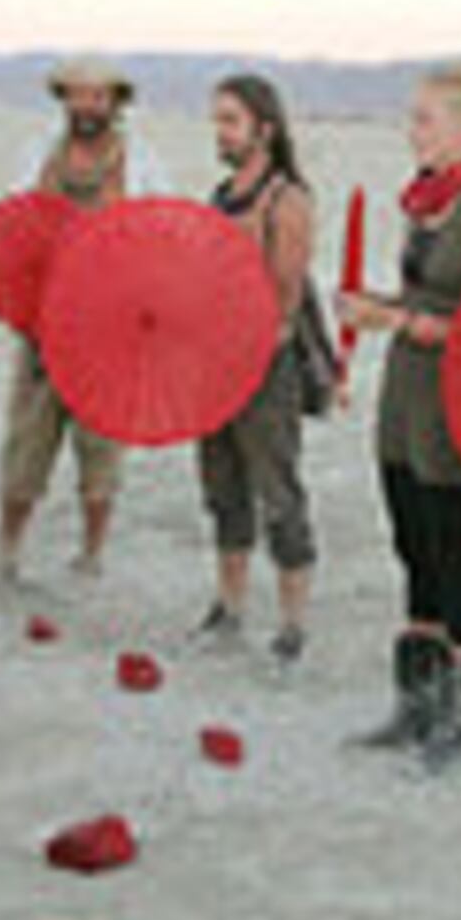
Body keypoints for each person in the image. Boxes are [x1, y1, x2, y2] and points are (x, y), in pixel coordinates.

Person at [334, 68, 461, 768]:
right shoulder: (423, 203)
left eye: (424, 119)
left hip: (453, 393)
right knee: (410, 539)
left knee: (450, 544)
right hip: (404, 389)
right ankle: (413, 706)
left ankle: (458, 719)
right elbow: (419, 295)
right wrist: (369, 305)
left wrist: (397, 319)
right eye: (412, 118)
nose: (411, 131)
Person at [0, 57, 162, 589]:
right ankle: (8, 549)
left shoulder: (142, 165)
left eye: (97, 97)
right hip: (43, 325)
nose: (86, 107)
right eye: (76, 96)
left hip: (109, 329)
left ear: (116, 103)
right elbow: (11, 229)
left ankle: (91, 553)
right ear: (63, 101)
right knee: (26, 443)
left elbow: (164, 239)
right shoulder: (37, 158)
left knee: (101, 449)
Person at [191, 73, 327, 666]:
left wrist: (241, 356)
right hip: (211, 365)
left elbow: (284, 300)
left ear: (264, 129)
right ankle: (229, 607)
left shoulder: (286, 200)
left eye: (230, 121)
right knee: (222, 491)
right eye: (217, 120)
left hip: (265, 368)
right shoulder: (220, 195)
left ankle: (293, 624)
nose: (219, 132)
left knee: (279, 493)